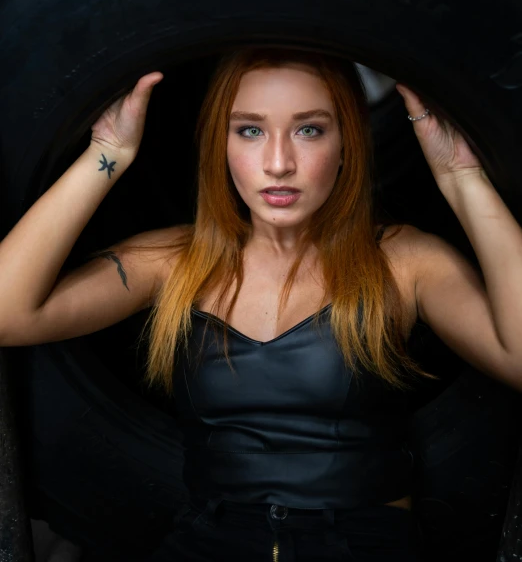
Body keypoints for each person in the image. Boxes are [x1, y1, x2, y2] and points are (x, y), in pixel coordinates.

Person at [1, 47, 521, 562]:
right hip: (208, 542)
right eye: (249, 130)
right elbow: (9, 313)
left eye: (309, 129)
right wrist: (107, 151)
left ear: (348, 143)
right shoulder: (173, 261)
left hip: (363, 544)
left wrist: (460, 176)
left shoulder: (404, 262)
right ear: (219, 144)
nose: (278, 163)